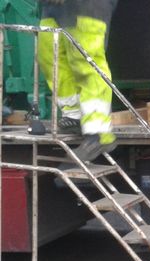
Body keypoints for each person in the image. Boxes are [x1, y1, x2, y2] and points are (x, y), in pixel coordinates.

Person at [38, 0, 118, 161]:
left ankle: (99, 133)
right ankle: (74, 115)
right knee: (50, 57)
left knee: (86, 63)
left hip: (88, 6)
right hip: (52, 6)